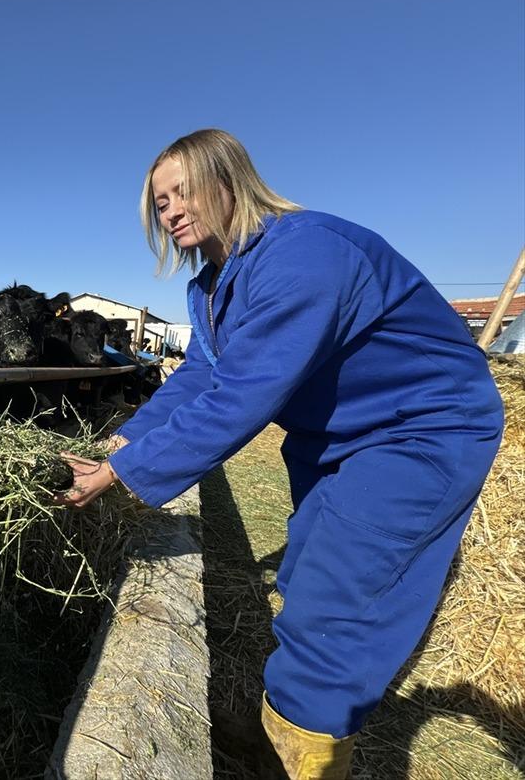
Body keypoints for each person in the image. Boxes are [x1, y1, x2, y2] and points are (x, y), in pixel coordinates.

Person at [55, 129, 504, 779]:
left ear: (228, 184)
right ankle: (284, 726)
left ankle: (302, 760)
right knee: (300, 580)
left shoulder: (305, 255)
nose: (172, 209)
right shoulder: (212, 287)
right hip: (338, 431)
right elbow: (199, 377)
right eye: (159, 202)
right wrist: (129, 436)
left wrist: (124, 472)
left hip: (418, 429)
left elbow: (241, 395)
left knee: (331, 605)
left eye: (185, 191)